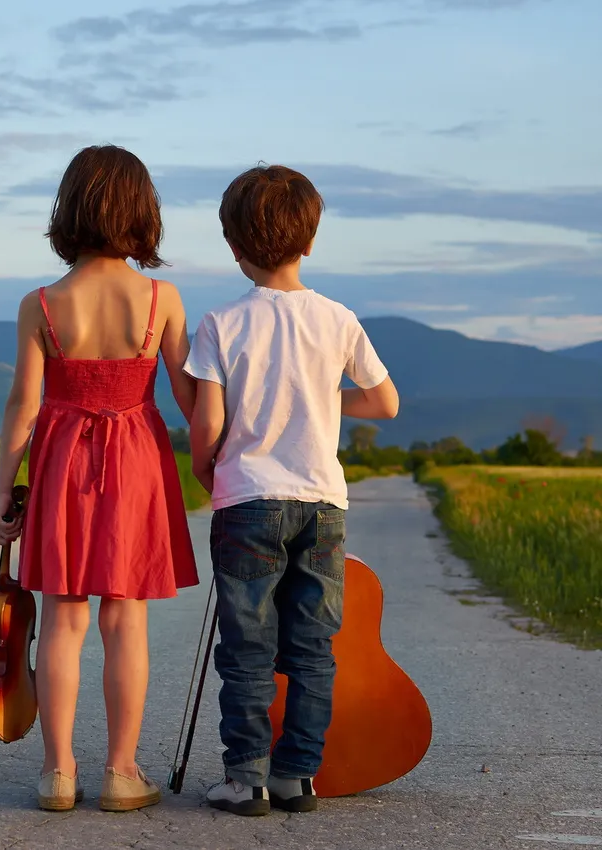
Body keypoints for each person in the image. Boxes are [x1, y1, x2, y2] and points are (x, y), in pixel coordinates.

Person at [184, 164, 400, 817]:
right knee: (311, 644)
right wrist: (322, 398)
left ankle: (244, 777)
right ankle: (296, 775)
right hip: (323, 503)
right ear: (311, 242)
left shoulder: (222, 323)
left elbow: (209, 423)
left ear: (234, 246)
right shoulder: (338, 319)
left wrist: (205, 469)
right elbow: (385, 402)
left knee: (248, 642)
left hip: (249, 497)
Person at [0, 145, 199, 813]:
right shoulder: (161, 298)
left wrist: (4, 489)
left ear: (68, 210)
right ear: (143, 213)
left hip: (59, 458)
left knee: (62, 618)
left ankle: (57, 773)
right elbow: (191, 400)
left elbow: (23, 406)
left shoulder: (41, 304)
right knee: (125, 618)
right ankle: (120, 771)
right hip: (135, 458)